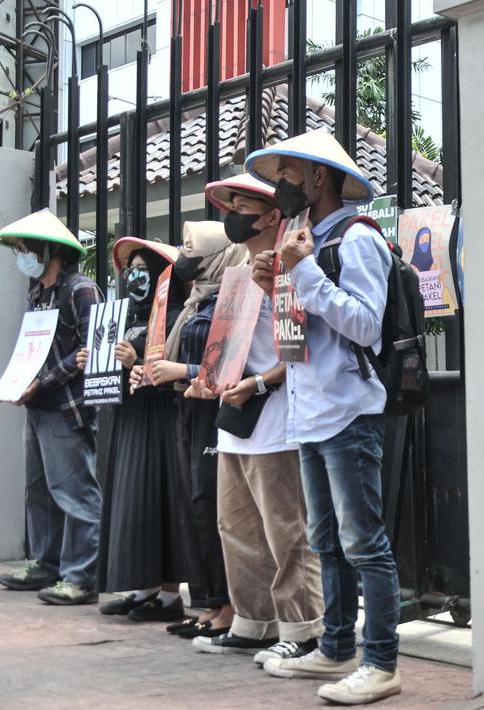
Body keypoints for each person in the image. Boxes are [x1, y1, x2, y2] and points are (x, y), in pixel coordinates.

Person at [246, 131, 402, 705]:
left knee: (364, 542)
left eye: (286, 174)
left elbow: (365, 325)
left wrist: (303, 272)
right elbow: (300, 333)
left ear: (316, 177)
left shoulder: (358, 239)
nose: (278, 185)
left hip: (347, 411)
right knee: (326, 541)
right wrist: (274, 287)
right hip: (310, 411)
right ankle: (336, 647)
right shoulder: (303, 240)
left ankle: (382, 662)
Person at [185, 173, 325, 661]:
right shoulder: (234, 274)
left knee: (287, 531)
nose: (232, 214)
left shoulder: (288, 271)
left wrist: (260, 382)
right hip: (235, 418)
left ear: (271, 216)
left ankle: (303, 627)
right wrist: (210, 379)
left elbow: (300, 349)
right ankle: (254, 621)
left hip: (276, 416)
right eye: (230, 205)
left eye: (243, 205)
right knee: (236, 526)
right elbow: (227, 348)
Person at [0, 209, 103, 605]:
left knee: (73, 490)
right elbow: (32, 350)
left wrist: (42, 382)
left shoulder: (80, 289)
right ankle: (46, 564)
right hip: (37, 405)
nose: (22, 255)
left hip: (67, 407)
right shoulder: (39, 292)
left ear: (50, 249)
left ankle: (82, 576)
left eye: (25, 248)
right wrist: (15, 383)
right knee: (38, 490)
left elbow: (91, 352)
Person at [147, 221, 249, 639]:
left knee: (211, 504)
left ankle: (227, 606)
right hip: (187, 407)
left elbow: (232, 359)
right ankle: (208, 603)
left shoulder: (231, 297)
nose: (186, 259)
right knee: (195, 505)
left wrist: (182, 369)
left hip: (215, 410)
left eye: (195, 250)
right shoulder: (197, 300)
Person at [92, 238, 198, 623]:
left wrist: (136, 360)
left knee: (159, 502)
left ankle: (168, 596)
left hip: (161, 421)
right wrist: (98, 361)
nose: (134, 274)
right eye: (130, 268)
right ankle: (143, 589)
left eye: (142, 268)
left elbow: (175, 366)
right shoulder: (124, 316)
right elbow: (114, 373)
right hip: (130, 419)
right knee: (132, 503)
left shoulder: (173, 315)